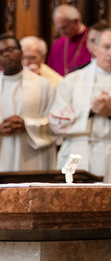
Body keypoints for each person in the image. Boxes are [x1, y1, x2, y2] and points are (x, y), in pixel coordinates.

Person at [49, 29, 111, 182]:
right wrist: (90, 111)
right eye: (106, 47)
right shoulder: (72, 80)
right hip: (79, 150)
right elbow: (56, 120)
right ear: (95, 49)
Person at [0, 34, 57, 171]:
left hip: (34, 156)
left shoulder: (44, 85)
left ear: (21, 52)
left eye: (10, 49)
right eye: (1, 52)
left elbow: (57, 121)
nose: (6, 54)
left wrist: (27, 125)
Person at [48, 5, 91, 76]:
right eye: (58, 29)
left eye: (64, 28)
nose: (62, 32)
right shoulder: (58, 45)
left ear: (76, 21)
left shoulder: (91, 40)